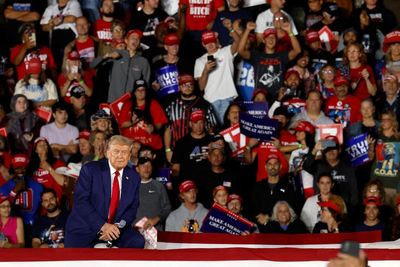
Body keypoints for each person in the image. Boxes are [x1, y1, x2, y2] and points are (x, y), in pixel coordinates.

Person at [65, 135, 145, 248]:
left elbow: (132, 208)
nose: (120, 156)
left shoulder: (134, 177)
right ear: (107, 153)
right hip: (86, 227)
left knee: (137, 241)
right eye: (116, 151)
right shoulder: (90, 170)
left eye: (124, 152)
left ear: (129, 156)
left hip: (116, 229)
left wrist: (117, 228)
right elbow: (81, 202)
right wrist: (103, 226)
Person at [238, 21, 301, 103]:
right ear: (264, 40)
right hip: (260, 99)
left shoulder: (282, 56)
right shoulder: (256, 56)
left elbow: (297, 50)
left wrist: (289, 31)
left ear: (276, 40)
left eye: (273, 38)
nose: (271, 40)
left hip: (279, 98)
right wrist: (247, 30)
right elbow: (240, 51)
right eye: (268, 37)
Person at [163, 74, 218, 161]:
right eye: (184, 85)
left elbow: (211, 129)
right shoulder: (171, 106)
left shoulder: (204, 104)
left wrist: (210, 149)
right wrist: (168, 150)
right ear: (179, 87)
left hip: (199, 150)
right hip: (177, 149)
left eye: (190, 85)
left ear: (194, 86)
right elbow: (168, 129)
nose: (187, 88)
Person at [303, 136, 359, 219]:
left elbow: (354, 192)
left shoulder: (348, 168)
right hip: (321, 211)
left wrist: (351, 212)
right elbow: (306, 166)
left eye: (334, 148)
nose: (330, 152)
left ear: (339, 150)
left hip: (342, 210)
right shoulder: (318, 166)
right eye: (327, 149)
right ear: (323, 152)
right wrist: (315, 150)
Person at [194, 29, 240, 124]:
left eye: (212, 41)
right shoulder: (199, 61)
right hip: (210, 100)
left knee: (227, 129)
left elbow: (239, 42)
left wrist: (231, 28)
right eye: (207, 43)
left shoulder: (225, 51)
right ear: (203, 44)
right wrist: (205, 71)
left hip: (227, 97)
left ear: (216, 41)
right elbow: (201, 87)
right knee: (214, 130)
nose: (210, 45)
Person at [251, 154, 296, 232]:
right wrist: (259, 216)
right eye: (270, 164)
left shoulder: (288, 186)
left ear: (280, 166)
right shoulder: (258, 186)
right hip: (261, 224)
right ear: (265, 167)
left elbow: (291, 206)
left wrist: (269, 216)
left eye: (275, 164)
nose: (273, 166)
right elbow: (252, 206)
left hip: (281, 226)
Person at [40, 0, 82, 68]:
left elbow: (72, 18)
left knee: (69, 65)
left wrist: (54, 21)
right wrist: (53, 23)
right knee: (55, 65)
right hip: (54, 40)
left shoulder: (74, 3)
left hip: (70, 38)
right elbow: (44, 27)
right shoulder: (50, 8)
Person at [134, 156, 171, 231]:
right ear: (137, 169)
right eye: (143, 166)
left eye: (149, 166)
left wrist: (156, 219)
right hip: (135, 232)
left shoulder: (159, 186)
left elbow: (167, 209)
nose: (146, 168)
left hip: (155, 232)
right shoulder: (130, 187)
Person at [26, 137, 66, 204]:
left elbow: (62, 182)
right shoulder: (30, 166)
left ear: (48, 148)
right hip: (38, 204)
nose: (43, 147)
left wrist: (49, 169)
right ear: (35, 150)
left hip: (55, 201)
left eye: (45, 144)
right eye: (40, 145)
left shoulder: (57, 163)